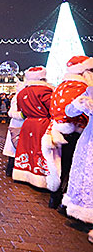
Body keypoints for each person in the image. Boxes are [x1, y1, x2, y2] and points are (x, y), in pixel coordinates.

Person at [41, 56, 93, 209]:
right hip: (76, 131)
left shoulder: (61, 86)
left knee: (58, 164)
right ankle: (65, 201)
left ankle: (54, 198)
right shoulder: (82, 88)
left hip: (57, 127)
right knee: (71, 167)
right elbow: (73, 111)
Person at [12, 66, 53, 189]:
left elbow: (21, 110)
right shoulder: (45, 91)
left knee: (26, 147)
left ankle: (23, 173)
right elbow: (52, 107)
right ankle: (39, 176)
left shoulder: (22, 92)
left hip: (28, 124)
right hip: (42, 124)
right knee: (39, 149)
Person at [63, 86, 93, 244]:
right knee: (85, 175)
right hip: (89, 139)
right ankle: (85, 211)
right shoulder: (90, 89)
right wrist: (80, 102)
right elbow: (69, 110)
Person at [3, 83, 25, 177]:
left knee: (15, 148)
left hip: (20, 124)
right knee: (14, 146)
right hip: (18, 124)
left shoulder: (19, 96)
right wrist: (22, 115)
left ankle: (12, 169)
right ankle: (11, 169)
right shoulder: (18, 97)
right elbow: (13, 112)